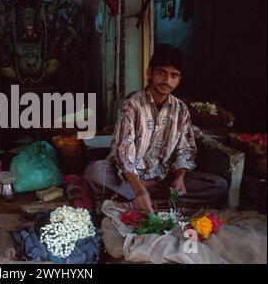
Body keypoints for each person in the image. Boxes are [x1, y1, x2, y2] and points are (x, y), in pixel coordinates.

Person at [84, 44, 228, 212]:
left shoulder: (181, 110)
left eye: (174, 75)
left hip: (163, 180)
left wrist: (179, 177)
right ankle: (147, 197)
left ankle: (137, 198)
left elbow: (186, 150)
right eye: (162, 72)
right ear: (149, 73)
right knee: (94, 172)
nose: (167, 81)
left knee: (218, 185)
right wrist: (139, 188)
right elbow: (122, 152)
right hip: (130, 178)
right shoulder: (131, 104)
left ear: (180, 79)